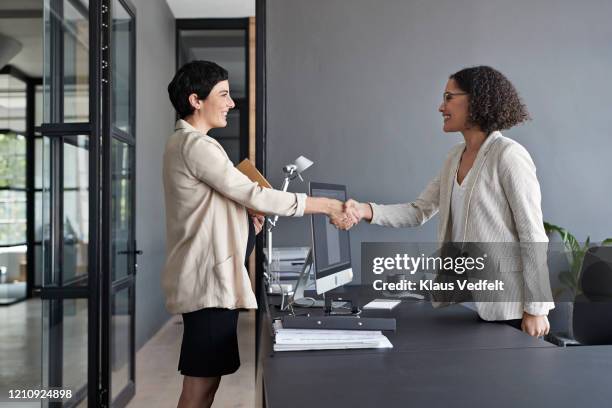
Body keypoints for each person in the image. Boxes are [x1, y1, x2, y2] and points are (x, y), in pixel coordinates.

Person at [163, 60, 352, 408]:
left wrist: (243, 222)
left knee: (205, 383)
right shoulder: (196, 146)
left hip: (209, 284)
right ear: (196, 100)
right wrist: (323, 205)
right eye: (223, 94)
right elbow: (254, 193)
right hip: (208, 287)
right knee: (200, 386)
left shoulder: (187, 144)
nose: (231, 103)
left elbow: (212, 207)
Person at [340, 66, 554, 337]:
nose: (441, 106)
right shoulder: (454, 157)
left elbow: (533, 234)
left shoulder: (509, 155)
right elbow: (418, 211)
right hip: (470, 305)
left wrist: (537, 309)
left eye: (449, 97)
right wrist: (364, 210)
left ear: (476, 101)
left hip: (510, 311)